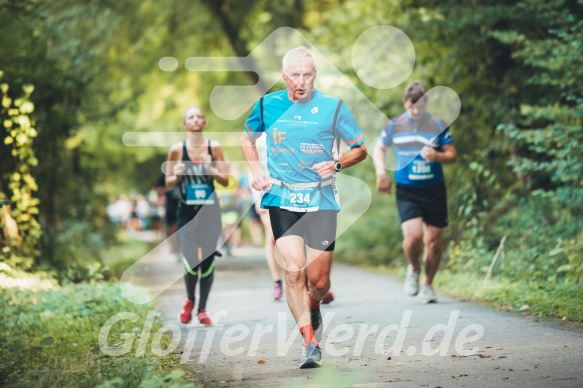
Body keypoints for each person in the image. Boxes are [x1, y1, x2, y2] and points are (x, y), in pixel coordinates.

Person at [240, 46, 367, 369]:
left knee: (320, 283)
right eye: (295, 75)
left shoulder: (333, 107)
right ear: (284, 77)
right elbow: (246, 139)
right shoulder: (267, 106)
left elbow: (360, 149)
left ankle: (314, 305)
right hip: (282, 197)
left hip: (321, 200)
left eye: (307, 74)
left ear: (315, 75)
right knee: (294, 270)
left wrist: (337, 164)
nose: (301, 81)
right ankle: (310, 343)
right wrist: (256, 171)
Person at [373, 81, 457, 304]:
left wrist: (438, 156)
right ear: (405, 103)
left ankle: (428, 285)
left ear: (426, 104)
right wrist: (381, 173)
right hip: (407, 189)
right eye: (412, 107)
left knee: (434, 242)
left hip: (434, 190)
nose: (416, 111)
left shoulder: (438, 124)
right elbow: (379, 148)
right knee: (413, 238)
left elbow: (452, 154)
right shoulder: (395, 125)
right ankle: (413, 268)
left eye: (420, 107)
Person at [166, 106, 229, 325]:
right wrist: (176, 174)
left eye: (199, 116)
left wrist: (210, 168)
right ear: (184, 125)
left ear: (204, 123)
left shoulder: (214, 147)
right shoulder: (176, 150)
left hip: (210, 213)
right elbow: (168, 182)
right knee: (191, 259)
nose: (195, 119)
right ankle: (190, 299)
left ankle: (202, 309)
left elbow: (225, 180)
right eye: (190, 117)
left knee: (208, 259)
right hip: (186, 213)